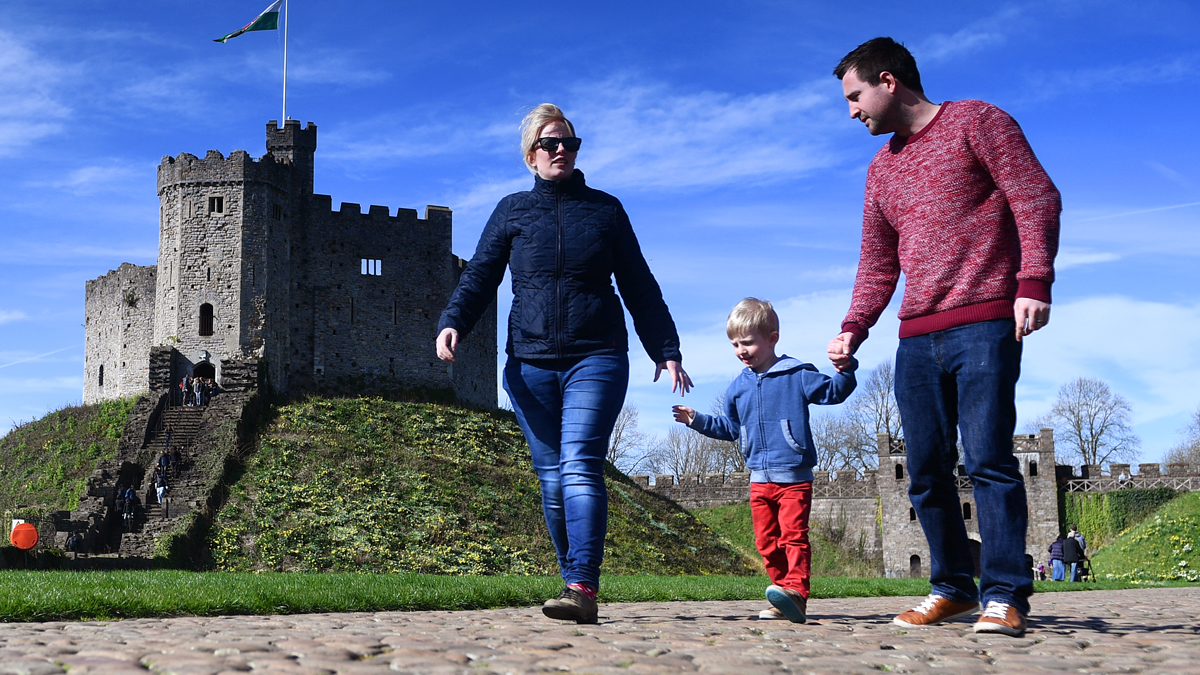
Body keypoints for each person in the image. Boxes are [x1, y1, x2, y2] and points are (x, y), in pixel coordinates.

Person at [827, 38, 1061, 638]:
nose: (852, 110)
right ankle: (951, 589)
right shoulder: (882, 169)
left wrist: (1033, 278)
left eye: (855, 96)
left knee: (988, 460)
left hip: (986, 321)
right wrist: (854, 327)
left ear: (889, 81)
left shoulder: (977, 122)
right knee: (926, 470)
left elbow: (1036, 196)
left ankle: (1005, 593)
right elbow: (877, 263)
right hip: (916, 338)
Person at [436, 104, 691, 625]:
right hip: (528, 364)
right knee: (551, 479)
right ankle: (571, 581)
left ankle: (582, 585)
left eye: (569, 143)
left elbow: (639, 284)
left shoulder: (605, 211)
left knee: (578, 468)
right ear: (530, 155)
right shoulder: (511, 211)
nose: (561, 152)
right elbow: (481, 273)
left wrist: (665, 348)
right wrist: (454, 320)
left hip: (595, 356)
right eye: (550, 144)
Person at [671, 299, 856, 623]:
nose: (741, 349)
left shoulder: (797, 374)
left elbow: (833, 393)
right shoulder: (737, 389)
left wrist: (845, 368)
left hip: (794, 476)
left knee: (793, 536)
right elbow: (729, 428)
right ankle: (783, 592)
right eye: (735, 344)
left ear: (772, 338)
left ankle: (796, 592)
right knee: (765, 542)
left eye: (748, 342)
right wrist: (696, 420)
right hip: (759, 478)